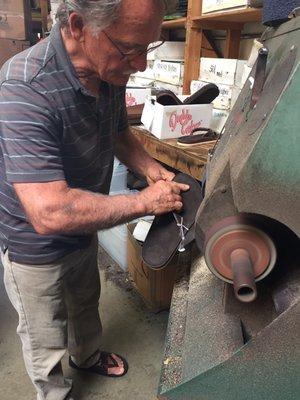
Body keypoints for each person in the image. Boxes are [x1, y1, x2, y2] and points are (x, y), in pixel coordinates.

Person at [0, 0, 188, 399]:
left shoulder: (109, 72)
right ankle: (54, 392)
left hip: (83, 226)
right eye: (130, 48)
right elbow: (49, 212)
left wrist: (151, 170)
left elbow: (119, 132)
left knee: (86, 303)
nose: (140, 64)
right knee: (44, 334)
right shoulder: (24, 85)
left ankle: (86, 357)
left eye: (148, 48)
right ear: (78, 25)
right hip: (34, 244)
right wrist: (145, 202)